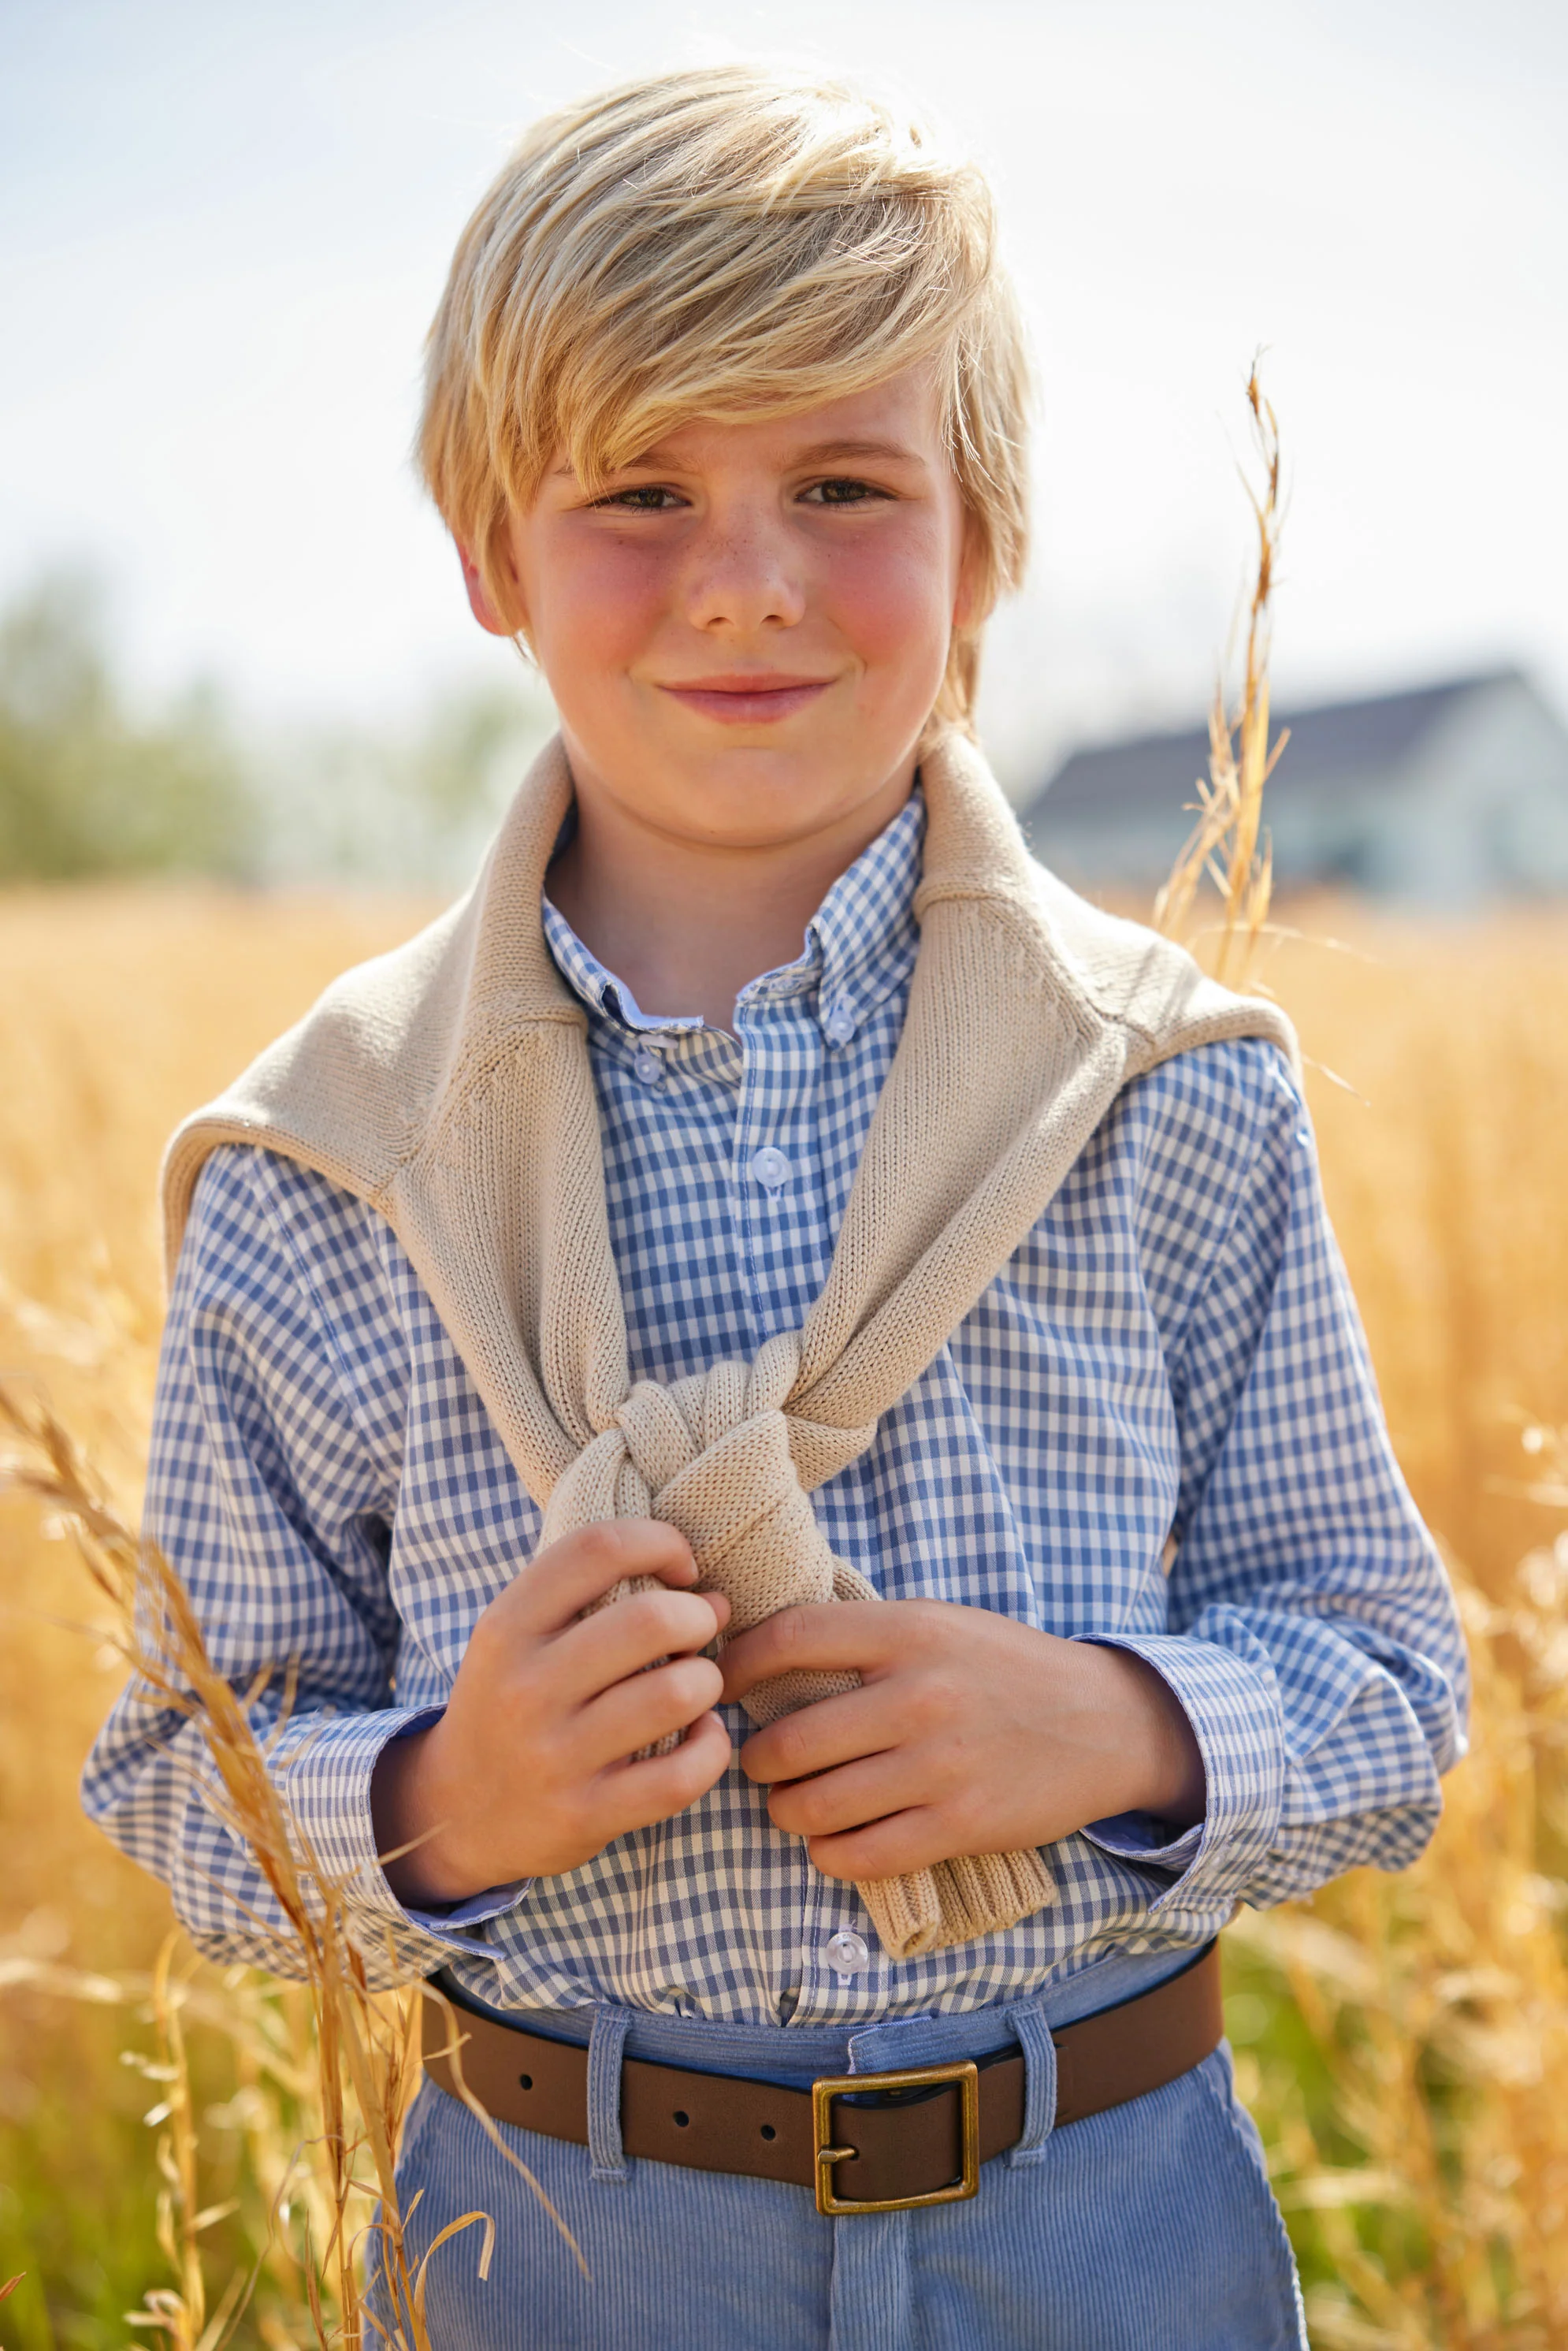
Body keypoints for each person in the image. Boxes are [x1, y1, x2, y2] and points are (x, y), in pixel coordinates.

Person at [83, 63, 1467, 2350]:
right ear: (486, 548)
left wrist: (1123, 1725)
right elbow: (181, 1773)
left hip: (1105, 2212)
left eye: (845, 483)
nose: (745, 579)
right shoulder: (320, 1159)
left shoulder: (1166, 1092)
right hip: (557, 2223)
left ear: (982, 540)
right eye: (638, 487)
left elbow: (1392, 1678)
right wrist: (445, 1793)